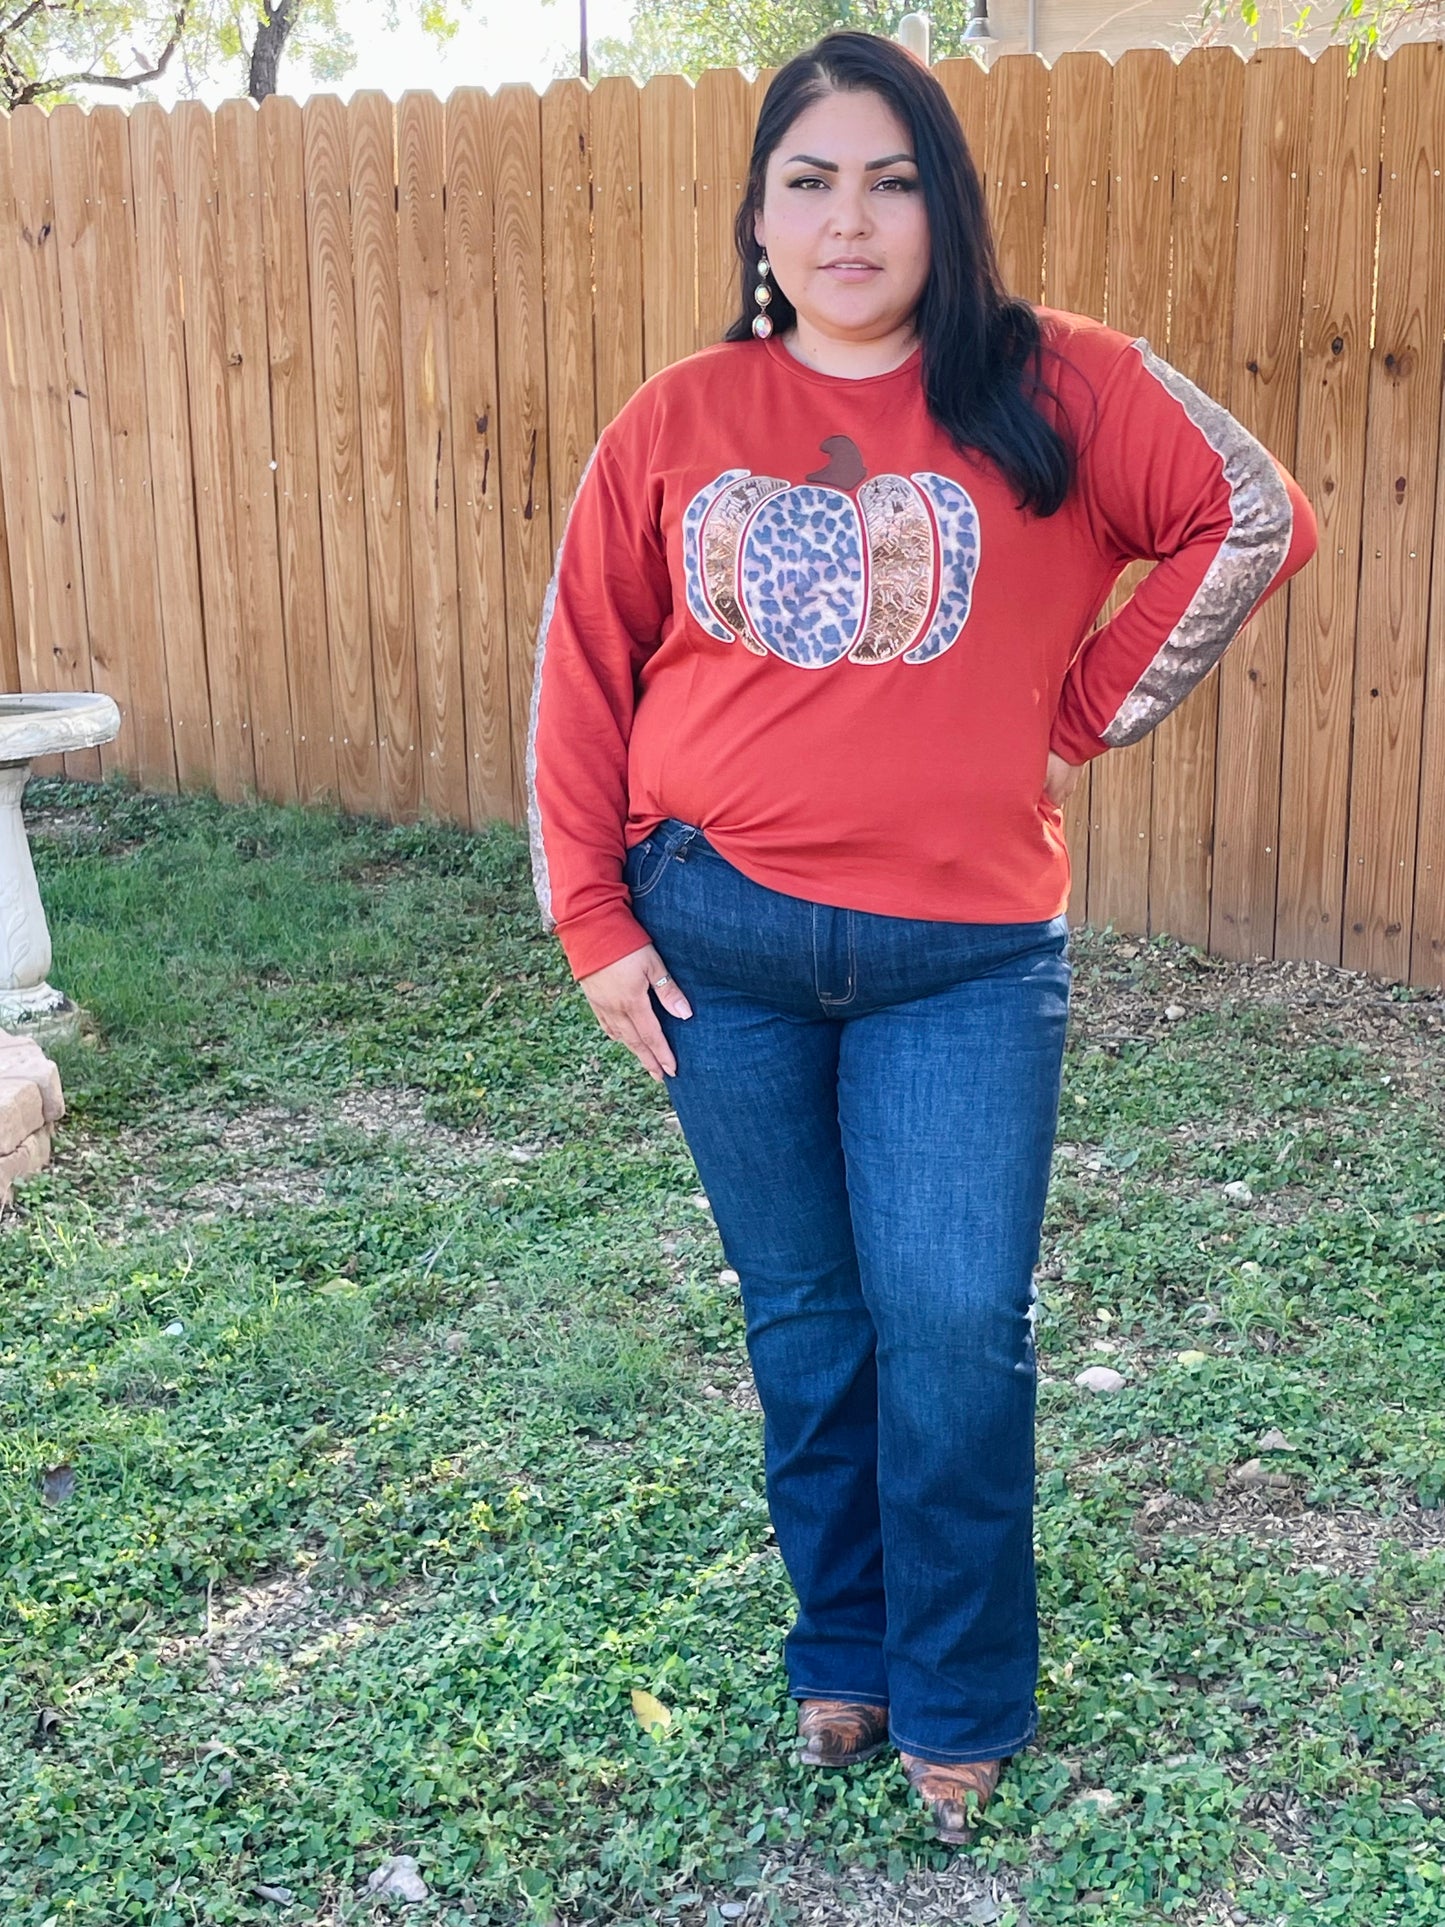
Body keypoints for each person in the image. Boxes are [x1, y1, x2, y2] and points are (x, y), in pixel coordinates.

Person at [525, 28, 1318, 1845]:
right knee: (804, 1317)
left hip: (961, 964)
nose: (849, 215)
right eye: (809, 178)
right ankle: (849, 1648)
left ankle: (959, 1690)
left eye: (890, 177)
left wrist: (1085, 703)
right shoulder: (674, 420)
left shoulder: (1054, 383)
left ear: (941, 207)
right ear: (759, 216)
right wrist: (591, 920)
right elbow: (584, 675)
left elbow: (1251, 514)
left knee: (952, 1326)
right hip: (712, 938)